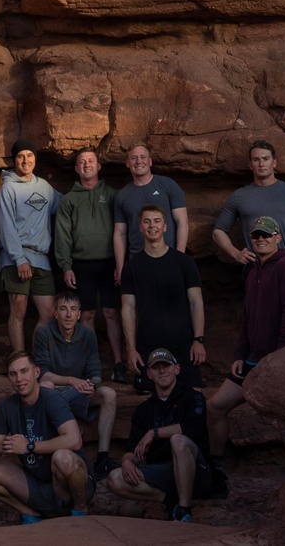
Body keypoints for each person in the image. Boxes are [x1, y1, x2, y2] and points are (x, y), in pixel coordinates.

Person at [207, 215, 285, 472]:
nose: (261, 239)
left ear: (277, 237)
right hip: (251, 361)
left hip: (277, 362)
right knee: (215, 407)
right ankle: (216, 470)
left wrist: (279, 361)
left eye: (266, 235)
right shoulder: (252, 273)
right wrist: (240, 354)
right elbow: (248, 318)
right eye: (256, 235)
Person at [0, 351, 94, 523]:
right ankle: (31, 513)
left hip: (70, 485)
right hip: (37, 484)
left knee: (63, 458)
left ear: (36, 372)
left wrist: (29, 446)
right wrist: (0, 447)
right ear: (9, 378)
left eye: (24, 371)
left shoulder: (52, 399)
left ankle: (80, 510)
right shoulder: (8, 406)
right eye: (13, 374)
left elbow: (74, 440)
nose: (19, 379)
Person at [106, 348, 218, 524]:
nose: (162, 370)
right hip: (164, 474)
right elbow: (132, 448)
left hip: (197, 472)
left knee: (178, 440)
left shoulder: (193, 397)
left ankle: (183, 509)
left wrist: (154, 433)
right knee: (115, 479)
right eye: (156, 367)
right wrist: (127, 462)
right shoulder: (144, 411)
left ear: (177, 369)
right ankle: (170, 499)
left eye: (166, 365)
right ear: (149, 374)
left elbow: (195, 428)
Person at [53, 147, 127, 383]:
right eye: (82, 162)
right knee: (86, 315)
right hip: (81, 264)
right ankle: (91, 366)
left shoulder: (114, 195)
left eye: (91, 161)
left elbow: (122, 231)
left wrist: (120, 264)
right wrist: (66, 266)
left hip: (109, 263)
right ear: (76, 169)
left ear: (99, 166)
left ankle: (119, 364)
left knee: (112, 313)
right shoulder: (69, 199)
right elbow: (62, 236)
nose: (86, 164)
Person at [33, 291, 118, 479]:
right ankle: (43, 453)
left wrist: (92, 386)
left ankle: (103, 458)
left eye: (73, 310)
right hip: (55, 390)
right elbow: (41, 374)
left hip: (77, 392)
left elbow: (95, 371)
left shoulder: (87, 335)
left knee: (109, 394)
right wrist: (72, 380)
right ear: (55, 313)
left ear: (79, 314)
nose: (68, 315)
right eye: (63, 309)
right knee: (45, 386)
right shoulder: (44, 333)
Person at [121, 204, 205, 391]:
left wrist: (198, 340)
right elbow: (128, 309)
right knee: (148, 400)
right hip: (148, 348)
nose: (152, 225)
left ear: (165, 227)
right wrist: (131, 349)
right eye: (147, 221)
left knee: (193, 397)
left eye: (157, 221)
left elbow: (196, 303)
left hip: (183, 346)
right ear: (140, 227)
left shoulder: (184, 262)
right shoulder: (131, 267)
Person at [212, 140, 285, 268]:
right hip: (254, 267)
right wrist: (235, 253)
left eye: (265, 159)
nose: (261, 164)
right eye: (256, 159)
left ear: (274, 162)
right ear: (250, 165)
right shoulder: (239, 196)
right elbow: (218, 232)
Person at [0, 139, 61, 354]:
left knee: (49, 312)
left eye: (30, 155)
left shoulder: (44, 187)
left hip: (41, 256)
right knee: (19, 309)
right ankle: (19, 359)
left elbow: (65, 206)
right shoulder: (8, 188)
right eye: (21, 156)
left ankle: (37, 361)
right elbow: (6, 226)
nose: (26, 160)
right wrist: (19, 258)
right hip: (16, 257)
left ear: (35, 159)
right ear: (15, 160)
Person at [113, 143, 188, 281]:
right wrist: (120, 266)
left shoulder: (168, 185)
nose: (139, 161)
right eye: (134, 158)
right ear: (127, 163)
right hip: (137, 261)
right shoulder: (121, 196)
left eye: (143, 157)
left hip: (168, 259)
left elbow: (182, 222)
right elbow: (120, 233)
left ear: (150, 161)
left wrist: (179, 257)